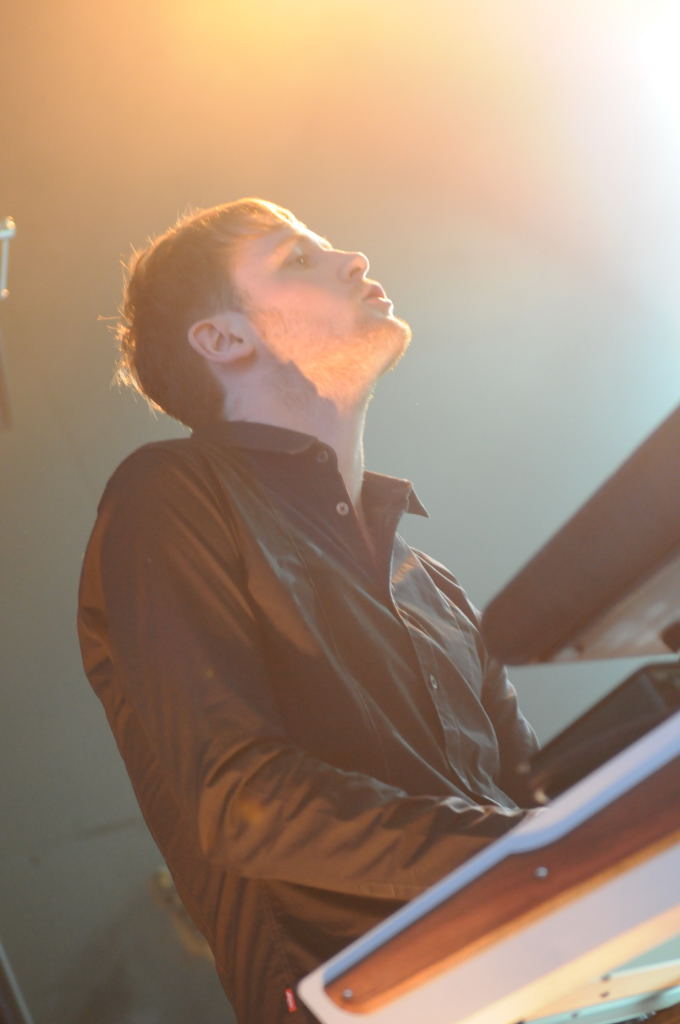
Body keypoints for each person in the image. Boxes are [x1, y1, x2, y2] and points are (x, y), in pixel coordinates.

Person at [77, 197, 538, 1024]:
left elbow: (535, 796)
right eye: (295, 258)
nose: (353, 258)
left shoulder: (429, 580)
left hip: (541, 976)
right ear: (223, 338)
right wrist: (531, 856)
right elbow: (243, 800)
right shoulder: (170, 494)